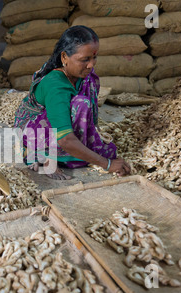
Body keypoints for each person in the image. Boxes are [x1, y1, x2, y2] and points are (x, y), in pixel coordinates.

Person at [14, 25, 132, 180]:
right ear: (64, 57)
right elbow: (65, 139)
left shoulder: (83, 75)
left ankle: (68, 153)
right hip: (36, 128)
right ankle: (41, 153)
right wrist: (107, 164)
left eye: (94, 57)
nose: (91, 65)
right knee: (81, 105)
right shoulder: (55, 85)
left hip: (60, 122)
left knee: (108, 151)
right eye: (84, 60)